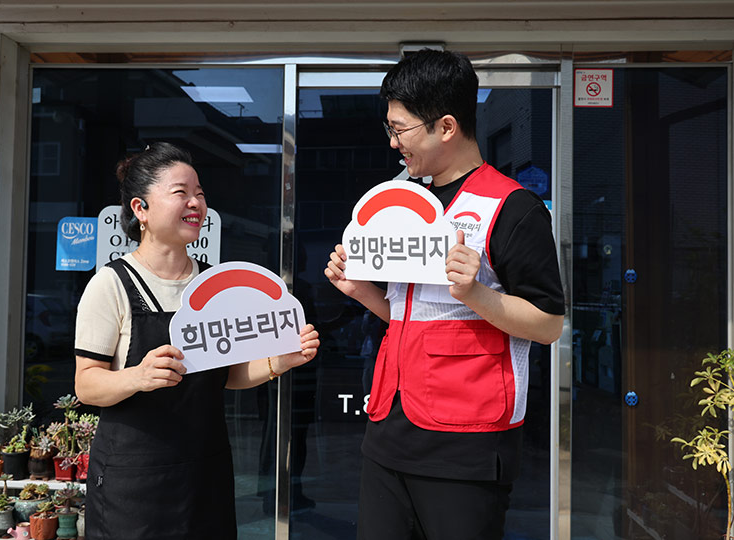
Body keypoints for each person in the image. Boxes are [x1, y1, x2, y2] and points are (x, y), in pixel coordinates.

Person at [324, 50, 564, 540]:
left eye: (400, 129)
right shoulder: (403, 203)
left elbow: (548, 324)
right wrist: (359, 291)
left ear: (447, 127)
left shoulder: (512, 207)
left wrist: (475, 292)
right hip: (388, 431)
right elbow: (409, 315)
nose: (393, 142)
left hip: (466, 443)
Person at [74, 142, 320, 540]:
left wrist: (279, 362)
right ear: (141, 209)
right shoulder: (111, 284)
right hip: (133, 482)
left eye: (200, 193)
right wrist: (138, 376)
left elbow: (226, 375)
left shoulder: (214, 284)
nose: (196, 203)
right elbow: (86, 384)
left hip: (205, 474)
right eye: (181, 192)